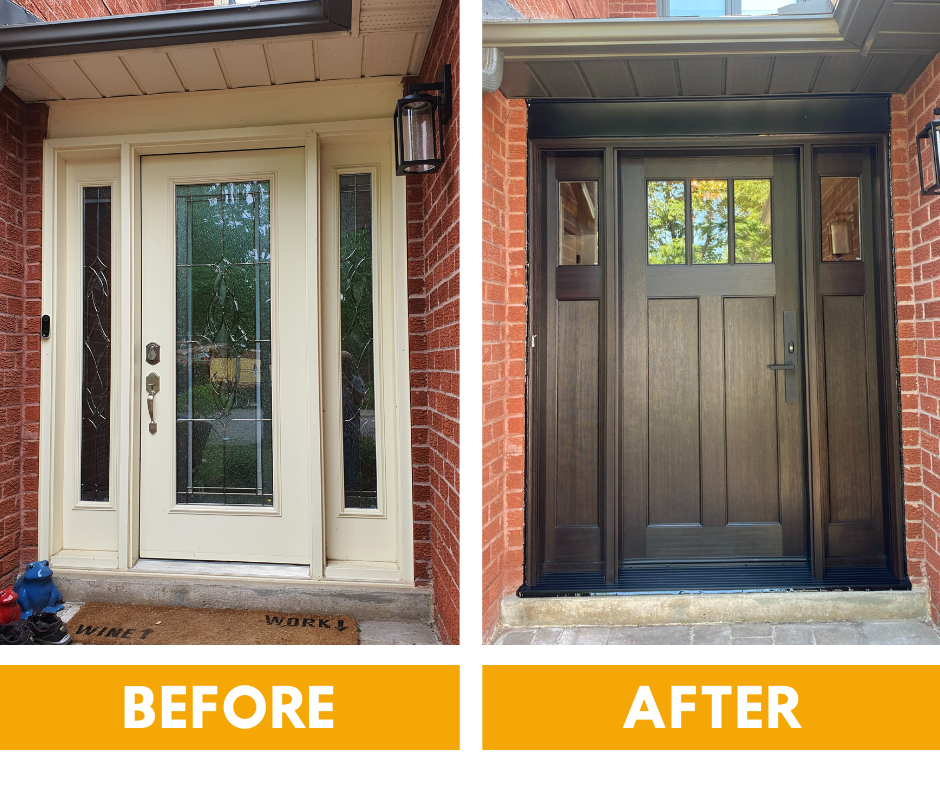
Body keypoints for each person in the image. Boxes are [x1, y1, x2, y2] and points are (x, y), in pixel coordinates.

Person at [341, 350, 367, 507]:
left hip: (351, 432)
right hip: (333, 432)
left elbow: (360, 400)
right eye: (342, 362)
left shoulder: (356, 381)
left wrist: (347, 384)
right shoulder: (331, 379)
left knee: (350, 471)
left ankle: (349, 505)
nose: (345, 365)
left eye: (347, 362)